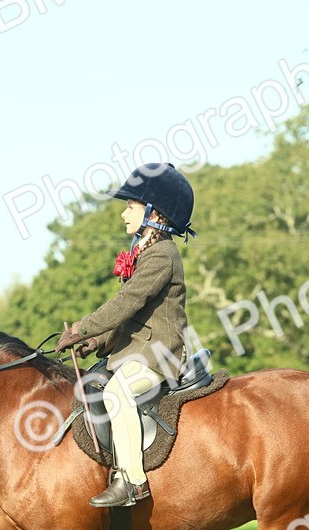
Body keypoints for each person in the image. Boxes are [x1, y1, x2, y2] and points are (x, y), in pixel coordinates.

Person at [55, 163, 196, 508]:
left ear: (153, 212)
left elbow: (126, 302)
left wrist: (81, 328)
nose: (123, 214)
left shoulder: (162, 255)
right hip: (133, 352)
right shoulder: (145, 252)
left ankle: (133, 481)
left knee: (118, 393)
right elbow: (127, 320)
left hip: (159, 355)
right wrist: (93, 343)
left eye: (130, 207)